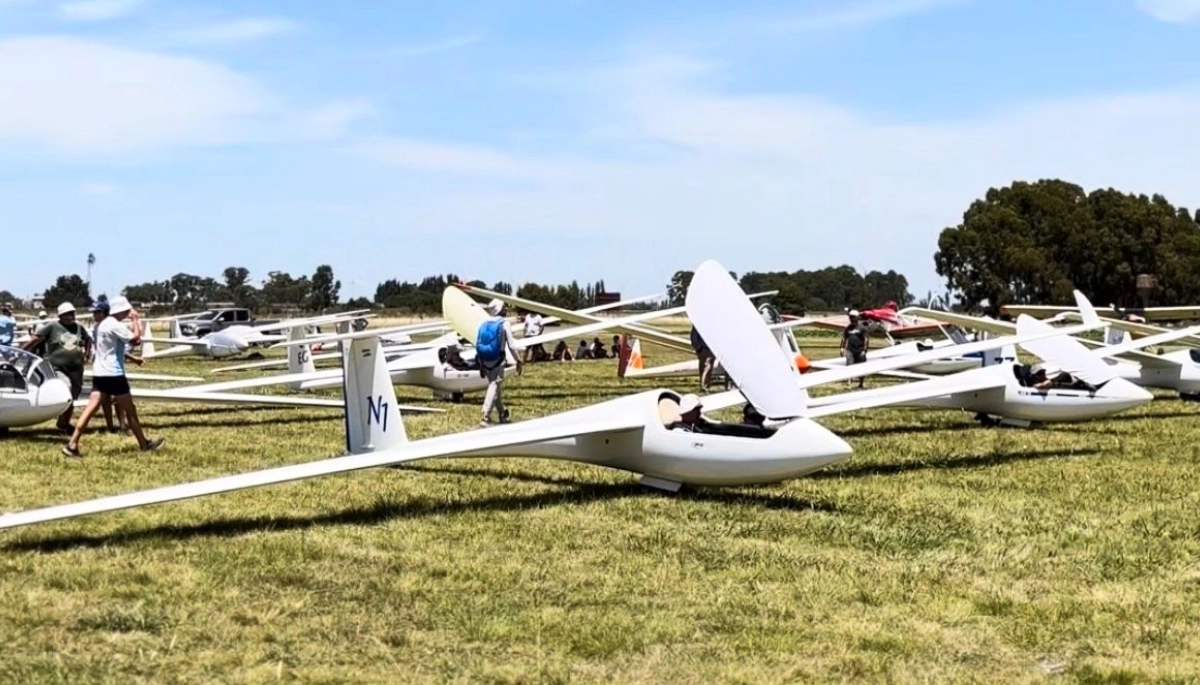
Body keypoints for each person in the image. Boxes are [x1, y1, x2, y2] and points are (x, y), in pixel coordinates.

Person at [63, 296, 164, 457]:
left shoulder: (98, 327)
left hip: (99, 374)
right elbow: (136, 340)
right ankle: (144, 443)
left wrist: (133, 358)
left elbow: (112, 348)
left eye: (97, 312)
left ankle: (72, 444)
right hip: (114, 374)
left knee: (89, 410)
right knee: (130, 411)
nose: (94, 315)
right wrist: (136, 320)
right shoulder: (114, 325)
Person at [22, 302, 92, 433]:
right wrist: (22, 351)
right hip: (58, 367)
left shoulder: (79, 327)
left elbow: (88, 339)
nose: (70, 316)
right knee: (67, 388)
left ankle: (63, 423)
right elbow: (36, 339)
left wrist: (87, 354)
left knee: (73, 396)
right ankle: (60, 420)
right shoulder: (52, 326)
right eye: (67, 314)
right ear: (60, 316)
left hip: (76, 368)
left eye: (72, 313)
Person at [476, 299, 523, 427]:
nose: (505, 310)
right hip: (498, 360)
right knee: (494, 385)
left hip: (485, 359)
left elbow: (479, 343)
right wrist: (518, 359)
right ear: (499, 309)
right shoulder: (504, 323)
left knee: (495, 388)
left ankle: (502, 414)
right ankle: (485, 416)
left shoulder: (484, 323)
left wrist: (481, 364)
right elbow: (511, 345)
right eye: (504, 308)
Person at [840, 310, 869, 389]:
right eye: (850, 317)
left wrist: (864, 350)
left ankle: (861, 383)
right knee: (849, 366)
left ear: (857, 318)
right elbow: (844, 338)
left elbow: (866, 339)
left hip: (860, 350)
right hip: (850, 350)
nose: (851, 319)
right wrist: (842, 348)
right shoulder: (848, 328)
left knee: (861, 367)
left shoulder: (862, 328)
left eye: (853, 317)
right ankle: (849, 383)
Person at [690, 325, 716, 391]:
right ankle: (704, 386)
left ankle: (705, 386)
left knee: (706, 368)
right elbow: (693, 336)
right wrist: (698, 348)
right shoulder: (698, 323)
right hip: (704, 348)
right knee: (707, 367)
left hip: (710, 348)